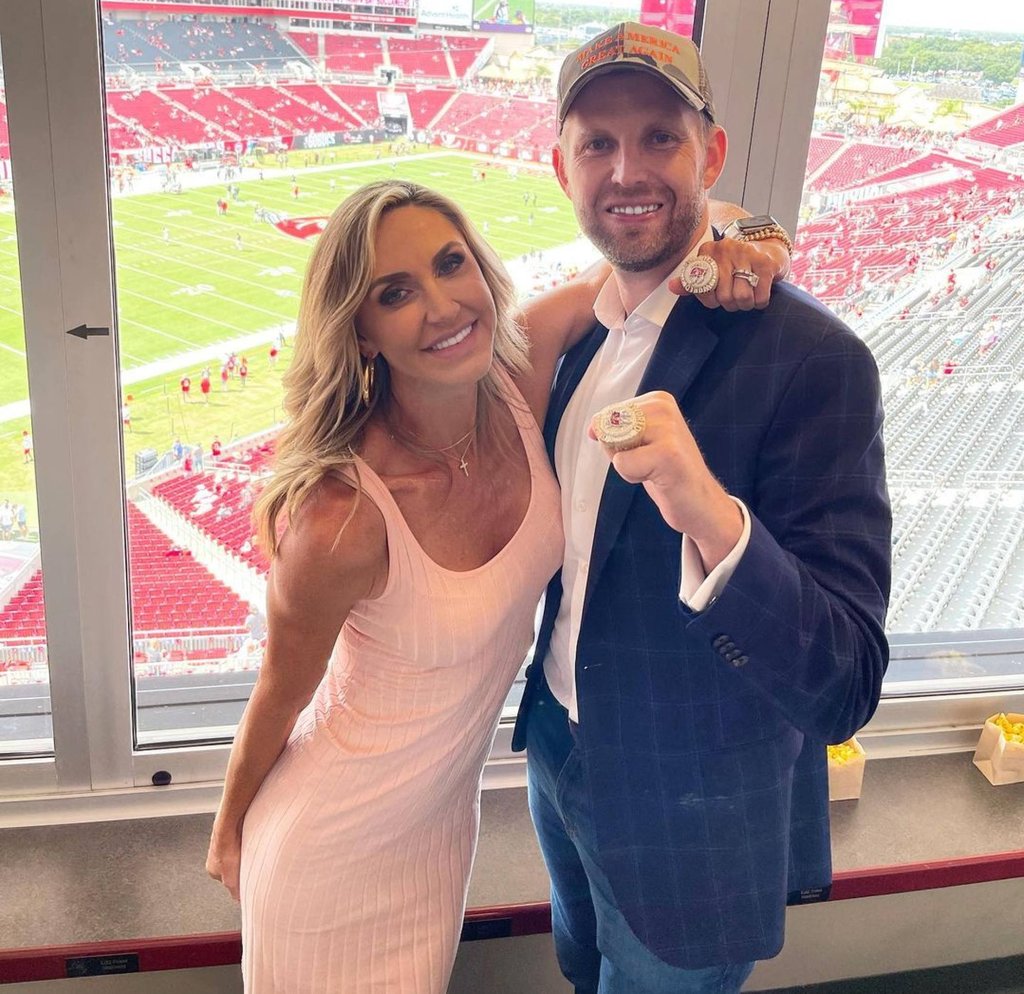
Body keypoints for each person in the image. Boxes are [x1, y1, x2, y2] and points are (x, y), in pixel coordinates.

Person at [205, 179, 788, 994]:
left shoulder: (519, 375)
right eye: (395, 293)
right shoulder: (340, 517)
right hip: (327, 852)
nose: (442, 306)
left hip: (438, 836)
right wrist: (233, 830)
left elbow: (654, 252)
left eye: (451, 265)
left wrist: (748, 228)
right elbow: (278, 693)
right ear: (362, 332)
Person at [511, 23, 891, 994]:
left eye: (659, 138)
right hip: (558, 756)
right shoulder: (567, 338)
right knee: (579, 968)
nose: (626, 168)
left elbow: (845, 679)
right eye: (597, 143)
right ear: (560, 165)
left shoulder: (811, 359)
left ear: (710, 153)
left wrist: (706, 512)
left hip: (695, 810)